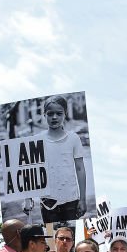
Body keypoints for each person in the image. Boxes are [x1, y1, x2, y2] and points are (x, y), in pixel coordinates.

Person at [36, 95, 88, 223]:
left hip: (71, 200)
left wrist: (82, 199)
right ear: (44, 115)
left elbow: (80, 169)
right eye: (50, 114)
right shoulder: (37, 140)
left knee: (70, 236)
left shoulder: (73, 138)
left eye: (59, 113)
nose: (54, 117)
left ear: (65, 113)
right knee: (52, 239)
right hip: (47, 201)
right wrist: (27, 199)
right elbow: (30, 171)